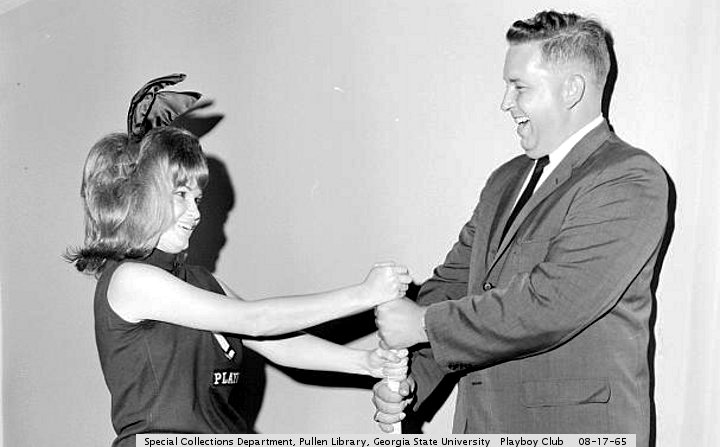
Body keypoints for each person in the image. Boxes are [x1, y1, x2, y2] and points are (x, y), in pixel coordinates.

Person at [372, 10, 668, 444]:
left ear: (571, 90)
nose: (505, 102)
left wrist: (422, 326)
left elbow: (553, 304)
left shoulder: (629, 178)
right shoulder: (505, 180)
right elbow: (454, 284)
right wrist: (409, 380)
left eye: (519, 87)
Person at [67, 75, 410, 446]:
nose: (195, 212)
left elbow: (277, 342)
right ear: (139, 195)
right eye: (180, 195)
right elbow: (257, 320)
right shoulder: (129, 280)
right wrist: (365, 294)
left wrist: (365, 362)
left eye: (197, 198)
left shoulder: (200, 281)